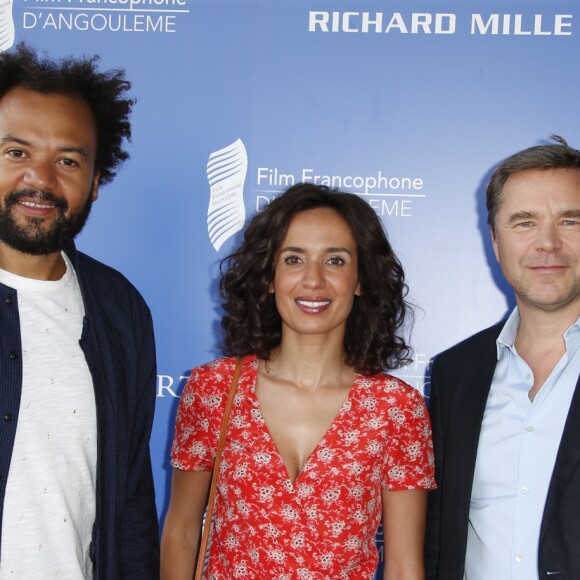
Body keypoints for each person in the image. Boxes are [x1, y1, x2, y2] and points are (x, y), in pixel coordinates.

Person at [161, 182, 435, 579]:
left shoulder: (396, 409)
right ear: (269, 275)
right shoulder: (213, 390)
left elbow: (404, 564)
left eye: (336, 261)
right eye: (293, 259)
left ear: (360, 280)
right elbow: (182, 528)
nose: (313, 280)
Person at [0, 44, 159, 578]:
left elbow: (131, 502)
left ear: (95, 183)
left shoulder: (119, 309)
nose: (40, 179)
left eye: (67, 160)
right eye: (16, 152)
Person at [425, 136, 580, 580]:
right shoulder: (457, 372)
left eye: (570, 221)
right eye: (524, 223)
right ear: (496, 242)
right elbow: (439, 539)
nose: (547, 243)